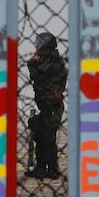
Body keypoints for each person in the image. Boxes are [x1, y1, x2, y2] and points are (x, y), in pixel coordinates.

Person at [26, 32, 67, 180]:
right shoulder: (47, 60)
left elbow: (37, 75)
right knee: (40, 133)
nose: (37, 46)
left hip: (52, 104)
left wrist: (32, 64)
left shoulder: (53, 62)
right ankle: (41, 167)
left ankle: (52, 169)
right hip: (45, 104)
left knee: (48, 136)